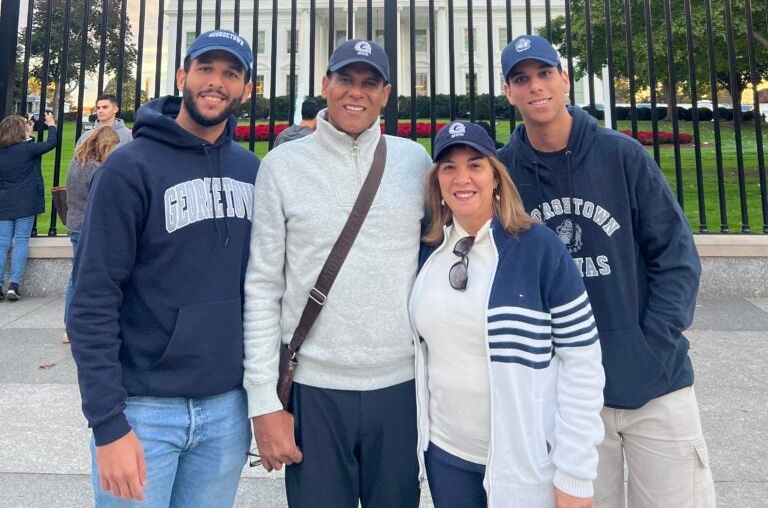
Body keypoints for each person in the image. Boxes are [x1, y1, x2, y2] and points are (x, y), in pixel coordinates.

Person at [498, 35, 716, 508]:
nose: (535, 87)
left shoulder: (622, 155)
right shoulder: (504, 173)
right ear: (508, 92)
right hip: (567, 400)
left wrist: (650, 347)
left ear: (564, 80)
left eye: (544, 74)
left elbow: (676, 259)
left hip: (655, 387)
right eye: (521, 78)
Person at [68, 30, 259, 508]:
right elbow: (92, 298)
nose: (216, 83)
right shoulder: (128, 168)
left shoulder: (251, 172)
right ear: (182, 77)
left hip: (225, 409)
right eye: (206, 70)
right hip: (143, 411)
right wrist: (108, 424)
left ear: (246, 89)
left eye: (230, 73)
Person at [243, 38, 433, 508]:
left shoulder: (415, 163)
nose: (356, 92)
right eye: (345, 79)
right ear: (325, 85)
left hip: (400, 386)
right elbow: (263, 287)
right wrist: (263, 401)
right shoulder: (282, 167)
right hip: (314, 388)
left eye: (370, 83)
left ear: (386, 94)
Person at [410, 120, 604, 508]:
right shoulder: (428, 251)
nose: (461, 177)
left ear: (496, 177)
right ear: (437, 183)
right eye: (448, 167)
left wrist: (575, 474)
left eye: (475, 165)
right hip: (446, 457)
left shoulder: (538, 248)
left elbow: (582, 362)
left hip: (525, 465)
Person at [62, 126, 120, 343]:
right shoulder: (97, 169)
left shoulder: (77, 164)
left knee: (76, 277)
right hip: (91, 226)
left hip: (75, 223)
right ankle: (77, 325)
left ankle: (70, 324)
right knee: (85, 278)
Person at [0, 111, 58, 302]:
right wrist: (51, 125)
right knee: (21, 240)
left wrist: (28, 135)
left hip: (5, 202)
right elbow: (51, 143)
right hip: (26, 201)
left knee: (2, 243)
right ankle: (14, 285)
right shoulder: (27, 150)